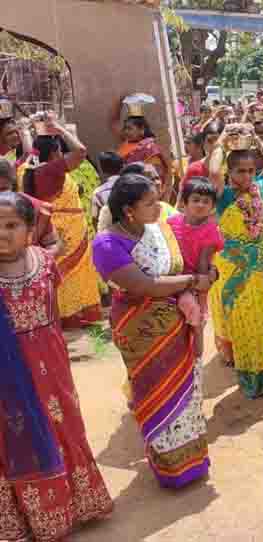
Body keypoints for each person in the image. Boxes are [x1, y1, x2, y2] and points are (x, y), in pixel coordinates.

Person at [0, 192, 112, 540]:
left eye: (12, 225)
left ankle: (80, 504)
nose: (2, 234)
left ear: (30, 229)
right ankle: (28, 521)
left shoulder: (45, 265)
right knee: (13, 438)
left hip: (54, 372)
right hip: (8, 381)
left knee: (66, 429)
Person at [92, 173, 215, 488]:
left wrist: (206, 273)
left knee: (187, 392)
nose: (158, 207)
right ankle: (170, 469)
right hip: (142, 330)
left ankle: (193, 461)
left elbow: (185, 262)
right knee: (156, 393)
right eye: (150, 203)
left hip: (176, 324)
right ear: (129, 210)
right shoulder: (107, 243)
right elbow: (145, 285)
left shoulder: (157, 230)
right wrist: (192, 282)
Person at [207, 131, 263, 399]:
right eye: (240, 171)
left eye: (250, 170)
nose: (246, 176)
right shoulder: (223, 196)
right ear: (229, 172)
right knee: (246, 323)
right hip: (236, 271)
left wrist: (260, 142)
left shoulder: (262, 187)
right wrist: (221, 142)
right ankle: (252, 380)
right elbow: (212, 174)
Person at [20, 117, 102, 329]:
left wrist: (27, 132)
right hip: (68, 229)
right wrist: (62, 130)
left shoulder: (29, 169)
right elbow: (81, 151)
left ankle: (62, 314)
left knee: (60, 271)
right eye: (58, 150)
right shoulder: (51, 170)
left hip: (51, 225)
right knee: (72, 274)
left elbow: (30, 152)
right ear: (54, 153)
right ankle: (72, 315)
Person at [168, 178, 224, 361]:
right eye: (196, 199)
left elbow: (203, 263)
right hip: (170, 278)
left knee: (196, 322)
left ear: (213, 207)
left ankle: (197, 363)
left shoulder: (211, 230)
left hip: (195, 282)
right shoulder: (171, 223)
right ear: (184, 202)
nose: (201, 204)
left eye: (206, 201)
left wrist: (198, 288)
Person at [0, 159, 61, 255]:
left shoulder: (36, 209)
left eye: (3, 190)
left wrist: (39, 260)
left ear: (13, 187)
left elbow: (53, 244)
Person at [91, 151, 125, 231]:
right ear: (123, 166)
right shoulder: (134, 182)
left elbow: (95, 219)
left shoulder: (97, 193)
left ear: (102, 170)